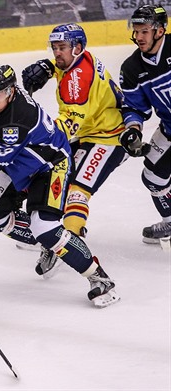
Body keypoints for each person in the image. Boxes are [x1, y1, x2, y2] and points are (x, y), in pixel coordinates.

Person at [0, 63, 120, 307]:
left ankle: (98, 277)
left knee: (44, 226)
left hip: (50, 165)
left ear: (11, 91)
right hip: (19, 162)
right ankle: (50, 244)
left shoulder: (17, 119)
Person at [21, 23, 128, 270]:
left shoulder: (76, 84)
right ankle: (52, 227)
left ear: (77, 48)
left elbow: (67, 126)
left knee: (77, 191)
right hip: (90, 131)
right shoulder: (78, 60)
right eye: (54, 48)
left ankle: (69, 243)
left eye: (62, 48)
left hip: (109, 137)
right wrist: (48, 67)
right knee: (53, 173)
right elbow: (61, 66)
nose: (57, 53)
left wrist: (36, 134)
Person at [119, 4, 171, 247]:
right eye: (136, 31)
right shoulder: (132, 68)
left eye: (144, 31)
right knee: (152, 176)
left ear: (160, 30)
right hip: (170, 129)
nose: (139, 37)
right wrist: (133, 130)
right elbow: (135, 108)